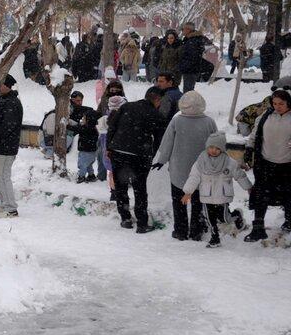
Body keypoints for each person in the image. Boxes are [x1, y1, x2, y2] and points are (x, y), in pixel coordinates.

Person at [151, 90, 216, 241]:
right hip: (201, 169)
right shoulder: (209, 122)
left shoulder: (177, 121)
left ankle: (180, 231)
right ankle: (196, 230)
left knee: (179, 201)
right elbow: (217, 144)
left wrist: (162, 160)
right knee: (198, 201)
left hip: (179, 168)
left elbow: (167, 143)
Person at [107, 88, 167, 232]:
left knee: (121, 187)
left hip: (118, 152)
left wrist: (110, 146)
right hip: (139, 155)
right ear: (158, 100)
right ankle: (142, 223)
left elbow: (112, 126)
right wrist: (151, 155)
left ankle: (125, 218)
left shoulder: (126, 107)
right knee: (139, 189)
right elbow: (159, 139)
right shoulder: (156, 115)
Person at [182, 133, 252, 248]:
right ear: (207, 147)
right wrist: (188, 192)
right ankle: (215, 238)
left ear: (222, 149)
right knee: (210, 220)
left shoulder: (229, 162)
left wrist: (248, 187)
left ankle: (237, 215)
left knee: (224, 218)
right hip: (207, 196)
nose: (213, 150)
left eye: (217, 148)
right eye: (211, 147)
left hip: (222, 196)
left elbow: (240, 175)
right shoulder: (200, 162)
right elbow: (194, 177)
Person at [244, 88, 291, 242]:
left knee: (288, 195)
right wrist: (249, 148)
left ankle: (289, 222)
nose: (277, 107)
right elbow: (255, 134)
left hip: (287, 166)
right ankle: (258, 228)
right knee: (261, 195)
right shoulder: (265, 116)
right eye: (275, 103)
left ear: (288, 103)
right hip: (265, 164)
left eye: (281, 104)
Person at [0, 76, 23, 218]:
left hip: (6, 146)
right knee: (0, 175)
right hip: (2, 145)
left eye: (1, 84)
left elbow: (7, 126)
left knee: (4, 176)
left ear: (8, 86)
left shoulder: (11, 103)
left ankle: (11, 208)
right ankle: (4, 203)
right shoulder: (5, 101)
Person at [67, 91, 100, 182]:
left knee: (82, 164)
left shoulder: (85, 128)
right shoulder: (93, 128)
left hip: (85, 149)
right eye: (77, 100)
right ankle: (91, 175)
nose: (82, 119)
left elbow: (76, 129)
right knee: (89, 164)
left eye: (84, 118)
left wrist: (67, 126)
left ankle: (81, 176)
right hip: (92, 150)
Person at [177, 23, 209, 92]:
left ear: (188, 30)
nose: (182, 31)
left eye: (183, 29)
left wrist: (183, 66)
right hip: (190, 69)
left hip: (190, 70)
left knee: (188, 90)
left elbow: (192, 57)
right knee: (188, 89)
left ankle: (188, 99)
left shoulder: (193, 41)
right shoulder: (190, 40)